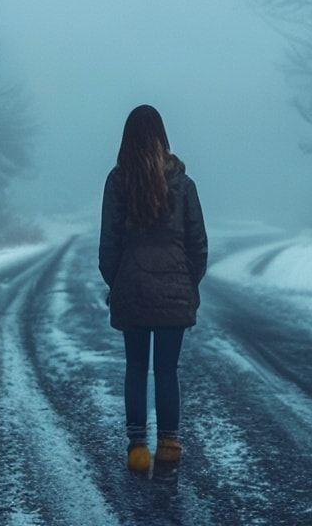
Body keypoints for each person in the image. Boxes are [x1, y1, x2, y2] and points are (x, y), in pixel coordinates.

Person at [98, 104, 208, 472]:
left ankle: (137, 448)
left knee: (135, 367)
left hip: (132, 284)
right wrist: (187, 282)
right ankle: (169, 445)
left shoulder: (118, 182)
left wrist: (118, 281)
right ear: (162, 136)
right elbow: (198, 243)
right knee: (166, 369)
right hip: (175, 286)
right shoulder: (183, 183)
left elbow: (108, 244)